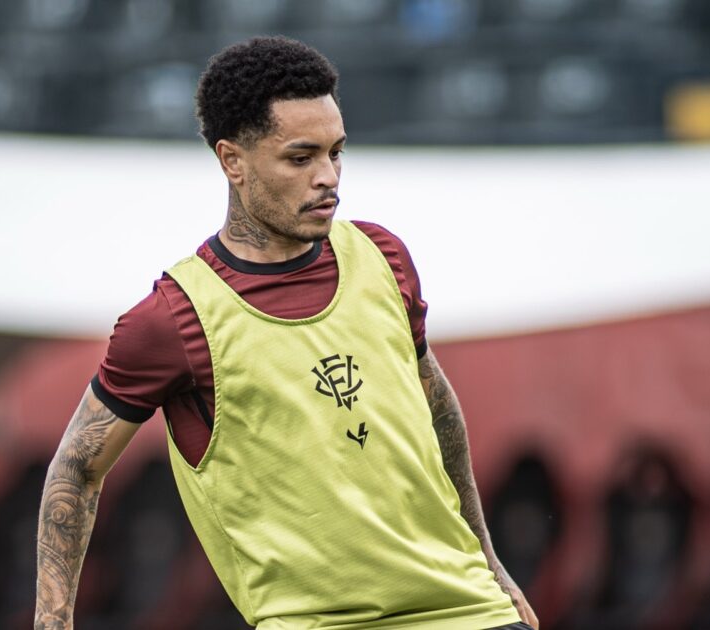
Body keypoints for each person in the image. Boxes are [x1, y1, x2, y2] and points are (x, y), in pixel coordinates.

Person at [34, 35, 539, 630]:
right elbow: (75, 469)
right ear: (233, 161)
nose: (328, 177)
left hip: (471, 612)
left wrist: (491, 566)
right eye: (301, 158)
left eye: (336, 152)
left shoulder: (383, 256)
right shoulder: (174, 318)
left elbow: (438, 410)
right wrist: (52, 622)